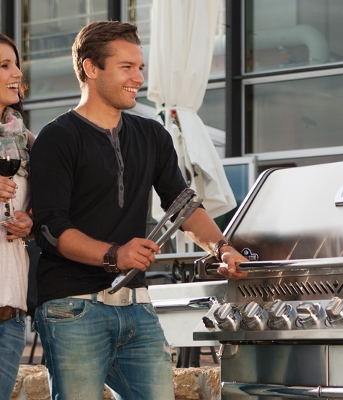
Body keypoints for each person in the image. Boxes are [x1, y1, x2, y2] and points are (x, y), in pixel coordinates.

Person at [30, 21, 247, 399]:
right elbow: (50, 229)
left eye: (141, 67)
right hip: (72, 308)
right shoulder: (57, 137)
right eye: (126, 67)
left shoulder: (152, 136)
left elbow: (183, 206)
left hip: (137, 306)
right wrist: (115, 254)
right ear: (90, 68)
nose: (138, 78)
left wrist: (222, 248)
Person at [0, 34, 35, 400]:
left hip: (10, 316)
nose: (16, 73)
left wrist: (31, 220)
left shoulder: (23, 140)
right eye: (3, 65)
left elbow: (50, 197)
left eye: (16, 63)